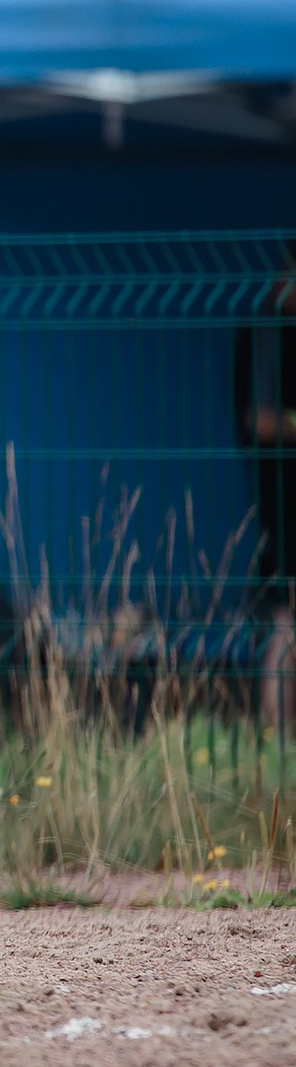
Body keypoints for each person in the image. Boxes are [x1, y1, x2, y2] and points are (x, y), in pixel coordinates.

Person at [237, 255, 296, 730]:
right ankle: (277, 735)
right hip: (284, 505)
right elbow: (260, 420)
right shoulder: (268, 330)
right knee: (284, 620)